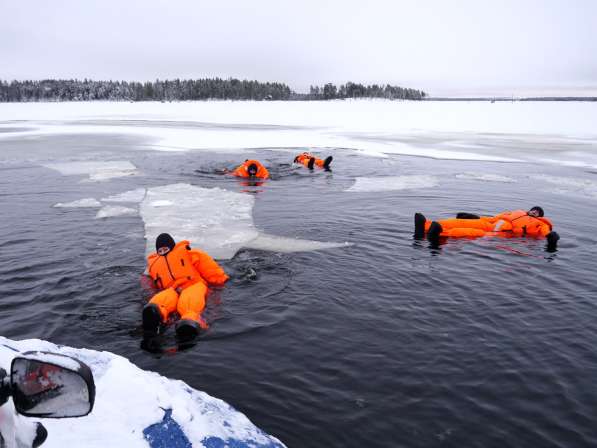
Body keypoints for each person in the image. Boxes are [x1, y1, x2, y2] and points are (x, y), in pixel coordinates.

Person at [142, 233, 229, 340]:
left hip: (193, 285)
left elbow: (208, 267)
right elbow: (149, 281)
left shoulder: (188, 254)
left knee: (190, 300)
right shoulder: (154, 264)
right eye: (160, 251)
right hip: (172, 289)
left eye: (165, 249)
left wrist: (219, 280)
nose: (163, 253)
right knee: (163, 297)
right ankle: (155, 312)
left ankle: (190, 321)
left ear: (172, 246)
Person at [414, 206, 560, 250]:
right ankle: (426, 225)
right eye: (534, 210)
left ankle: (437, 233)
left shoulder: (541, 224)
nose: (534, 212)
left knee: (470, 232)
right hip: (489, 224)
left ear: (540, 216)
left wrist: (551, 238)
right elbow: (495, 218)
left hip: (501, 234)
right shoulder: (517, 212)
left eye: (537, 212)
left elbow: (546, 233)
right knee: (461, 222)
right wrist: (476, 217)